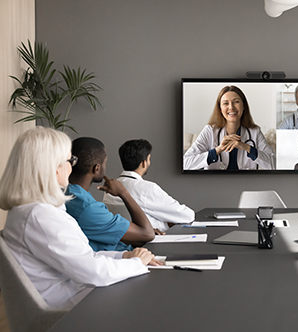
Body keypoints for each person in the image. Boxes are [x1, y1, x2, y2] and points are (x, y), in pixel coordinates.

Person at [0, 127, 158, 308]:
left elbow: (86, 257)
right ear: (53, 167)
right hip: (75, 309)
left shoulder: (30, 210)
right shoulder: (39, 216)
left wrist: (124, 256)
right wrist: (136, 262)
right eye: (70, 160)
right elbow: (93, 272)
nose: (71, 166)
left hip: (78, 296)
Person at [65, 137, 155, 252]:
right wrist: (123, 192)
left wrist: (133, 231)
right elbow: (147, 234)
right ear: (97, 168)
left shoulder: (70, 194)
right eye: (104, 163)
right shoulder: (87, 207)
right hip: (118, 261)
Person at [103, 139, 195, 233]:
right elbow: (187, 216)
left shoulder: (110, 188)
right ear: (144, 162)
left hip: (120, 244)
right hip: (149, 243)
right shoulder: (147, 189)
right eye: (149, 159)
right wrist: (165, 224)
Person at [183, 85, 275, 170]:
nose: (231, 107)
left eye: (236, 102)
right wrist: (218, 150)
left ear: (244, 106)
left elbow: (275, 165)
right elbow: (185, 163)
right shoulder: (210, 131)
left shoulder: (255, 132)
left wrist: (247, 148)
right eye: (225, 103)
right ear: (220, 109)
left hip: (246, 185)